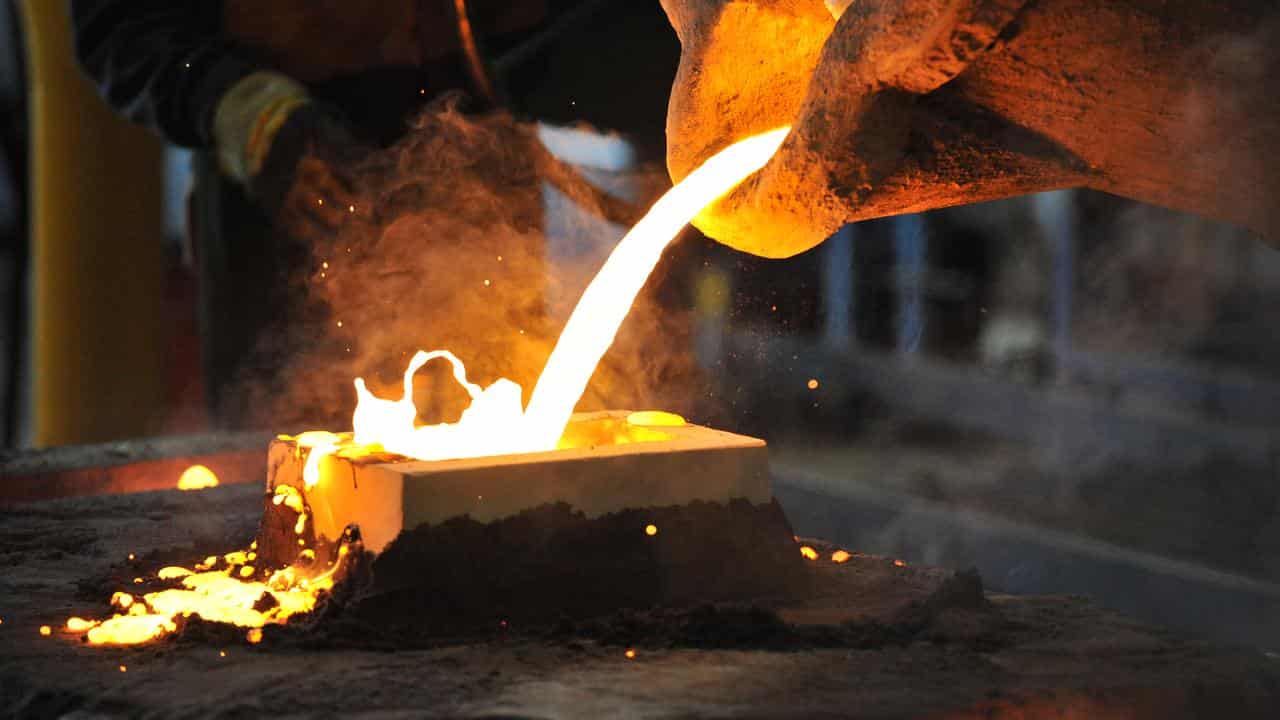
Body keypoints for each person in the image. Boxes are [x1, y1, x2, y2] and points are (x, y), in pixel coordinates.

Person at [69, 0, 558, 427]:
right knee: (288, 473)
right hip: (284, 178)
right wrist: (238, 106)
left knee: (500, 474)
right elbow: (122, 24)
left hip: (483, 148)